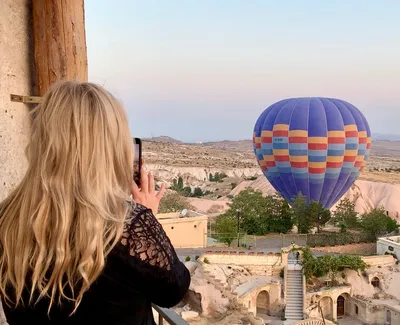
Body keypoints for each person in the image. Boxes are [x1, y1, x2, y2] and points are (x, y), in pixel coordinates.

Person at [0, 81, 190, 324]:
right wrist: (147, 217)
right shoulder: (129, 225)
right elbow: (174, 290)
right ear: (110, 148)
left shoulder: (7, 220)